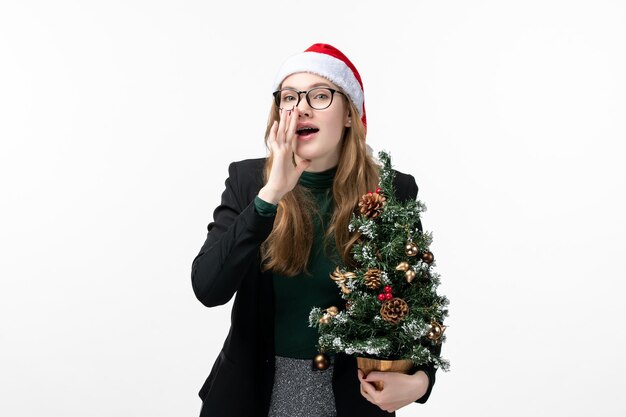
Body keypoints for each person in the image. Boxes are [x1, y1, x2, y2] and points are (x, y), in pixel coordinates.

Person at [191, 43, 438, 417]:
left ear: (350, 115)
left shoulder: (392, 190)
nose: (301, 107)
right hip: (252, 397)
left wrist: (421, 381)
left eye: (320, 95)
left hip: (351, 401)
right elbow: (208, 288)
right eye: (289, 97)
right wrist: (270, 195)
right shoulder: (248, 182)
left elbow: (420, 307)